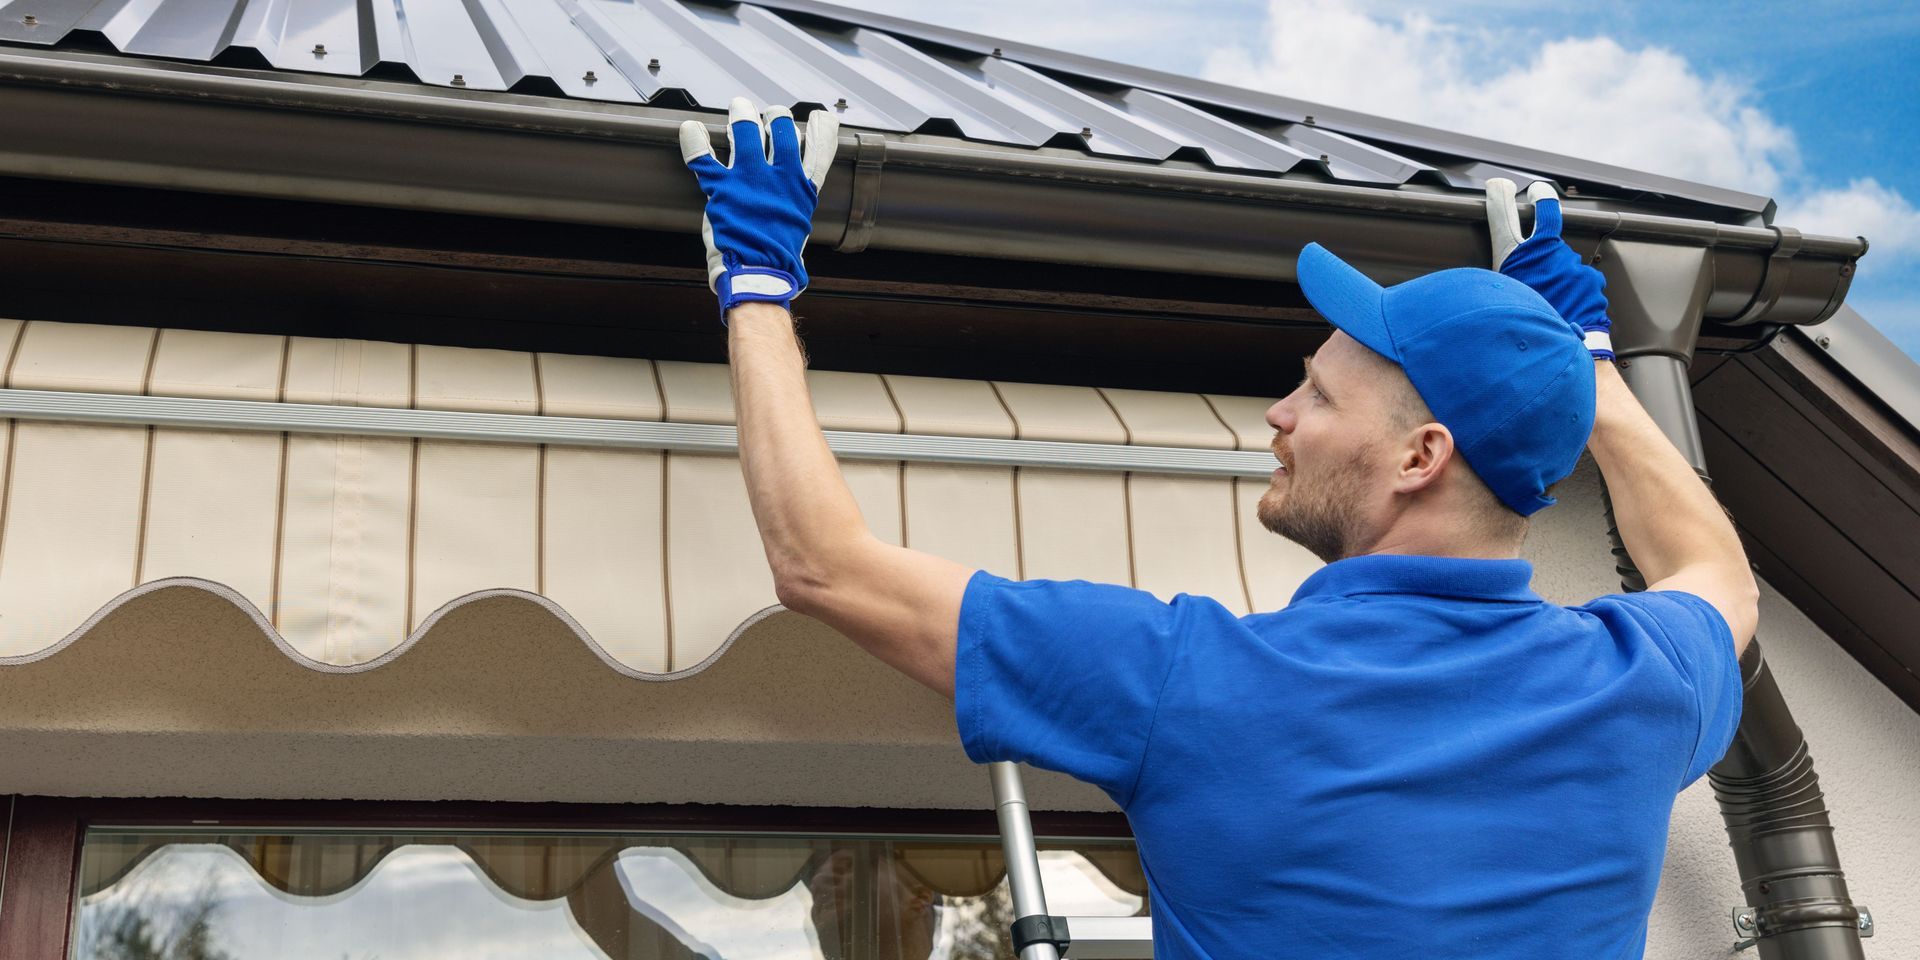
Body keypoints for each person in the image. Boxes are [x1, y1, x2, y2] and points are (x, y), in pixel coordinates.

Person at [680, 99, 1751, 959]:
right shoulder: (1639, 686)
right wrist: (1590, 371)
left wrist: (759, 285)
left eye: (1319, 397)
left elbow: (823, 565)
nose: (1279, 416)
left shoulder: (1193, 684)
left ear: (1421, 458)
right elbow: (1716, 571)